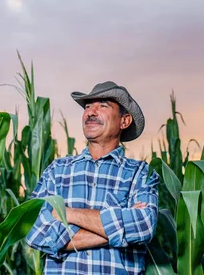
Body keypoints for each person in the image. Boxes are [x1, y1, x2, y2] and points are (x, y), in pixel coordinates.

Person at [26, 81, 159, 274]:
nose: (91, 112)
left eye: (103, 105)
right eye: (87, 106)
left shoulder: (140, 174)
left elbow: (143, 226)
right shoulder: (57, 170)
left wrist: (66, 213)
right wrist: (121, 230)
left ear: (125, 121)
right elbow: (33, 231)